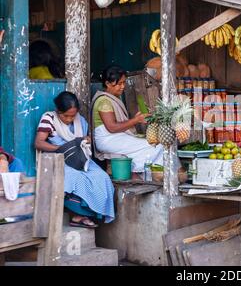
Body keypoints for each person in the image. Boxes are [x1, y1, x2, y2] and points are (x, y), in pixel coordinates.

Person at [35, 91, 115, 227]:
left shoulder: (80, 120)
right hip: (58, 158)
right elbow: (39, 143)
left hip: (78, 159)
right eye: (65, 116)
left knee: (102, 177)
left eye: (72, 116)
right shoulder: (49, 119)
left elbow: (85, 140)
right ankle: (78, 215)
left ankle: (89, 213)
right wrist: (63, 148)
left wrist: (85, 141)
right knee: (77, 178)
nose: (69, 119)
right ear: (57, 111)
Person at [91, 66, 164, 174]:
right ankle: (142, 173)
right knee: (154, 146)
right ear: (107, 83)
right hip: (107, 140)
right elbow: (112, 127)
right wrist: (136, 120)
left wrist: (136, 119)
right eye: (119, 83)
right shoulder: (104, 101)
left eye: (124, 83)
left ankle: (147, 173)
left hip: (115, 137)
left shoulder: (113, 98)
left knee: (157, 143)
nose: (122, 86)